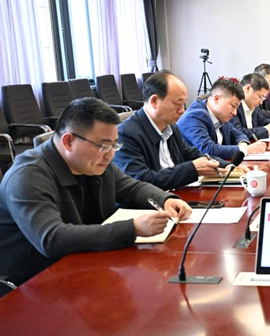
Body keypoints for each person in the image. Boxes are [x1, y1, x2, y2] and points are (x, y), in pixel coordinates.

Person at [0, 98, 192, 286]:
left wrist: (165, 199)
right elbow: (52, 238)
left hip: (84, 262)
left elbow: (131, 188)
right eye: (104, 146)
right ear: (68, 141)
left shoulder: (94, 161)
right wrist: (132, 228)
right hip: (32, 282)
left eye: (115, 145)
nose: (111, 155)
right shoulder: (27, 176)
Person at [115, 71, 232, 191]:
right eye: (177, 103)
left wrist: (227, 165)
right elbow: (140, 181)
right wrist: (192, 169)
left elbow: (193, 155)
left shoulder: (171, 128)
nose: (182, 110)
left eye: (184, 104)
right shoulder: (125, 134)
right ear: (154, 101)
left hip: (178, 195)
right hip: (153, 201)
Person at [178, 78, 267, 159]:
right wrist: (245, 150)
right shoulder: (194, 116)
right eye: (233, 106)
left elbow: (237, 134)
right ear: (217, 99)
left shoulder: (221, 115)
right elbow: (208, 149)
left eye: (237, 108)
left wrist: (243, 143)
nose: (235, 112)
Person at [230, 73, 270, 140]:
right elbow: (238, 132)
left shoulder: (254, 107)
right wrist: (265, 131)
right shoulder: (234, 107)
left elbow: (263, 122)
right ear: (248, 88)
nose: (261, 102)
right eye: (260, 97)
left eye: (263, 99)